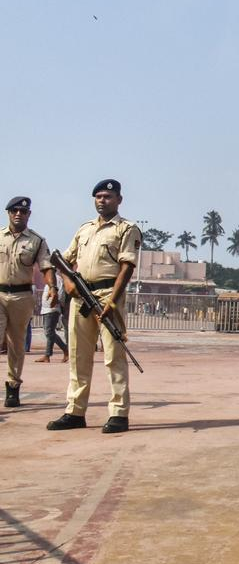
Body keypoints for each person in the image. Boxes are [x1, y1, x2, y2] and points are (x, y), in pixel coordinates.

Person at [46, 181, 140, 432]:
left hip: (109, 293)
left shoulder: (126, 229)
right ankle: (75, 411)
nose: (102, 200)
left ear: (119, 200)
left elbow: (127, 268)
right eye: (98, 196)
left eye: (107, 196)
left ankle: (119, 413)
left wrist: (112, 301)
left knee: (113, 356)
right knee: (78, 356)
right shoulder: (85, 229)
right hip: (81, 295)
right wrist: (68, 282)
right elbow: (64, 259)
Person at [2, 197, 55, 408]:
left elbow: (46, 266)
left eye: (23, 211)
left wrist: (53, 287)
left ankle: (13, 387)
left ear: (29, 214)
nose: (18, 214)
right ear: (8, 213)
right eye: (14, 210)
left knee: (16, 344)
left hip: (22, 297)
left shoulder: (37, 241)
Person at [36, 278, 69, 363]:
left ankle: (65, 349)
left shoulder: (57, 279)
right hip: (46, 309)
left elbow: (61, 294)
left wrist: (56, 303)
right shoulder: (49, 279)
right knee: (49, 333)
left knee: (49, 332)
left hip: (52, 309)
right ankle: (47, 355)